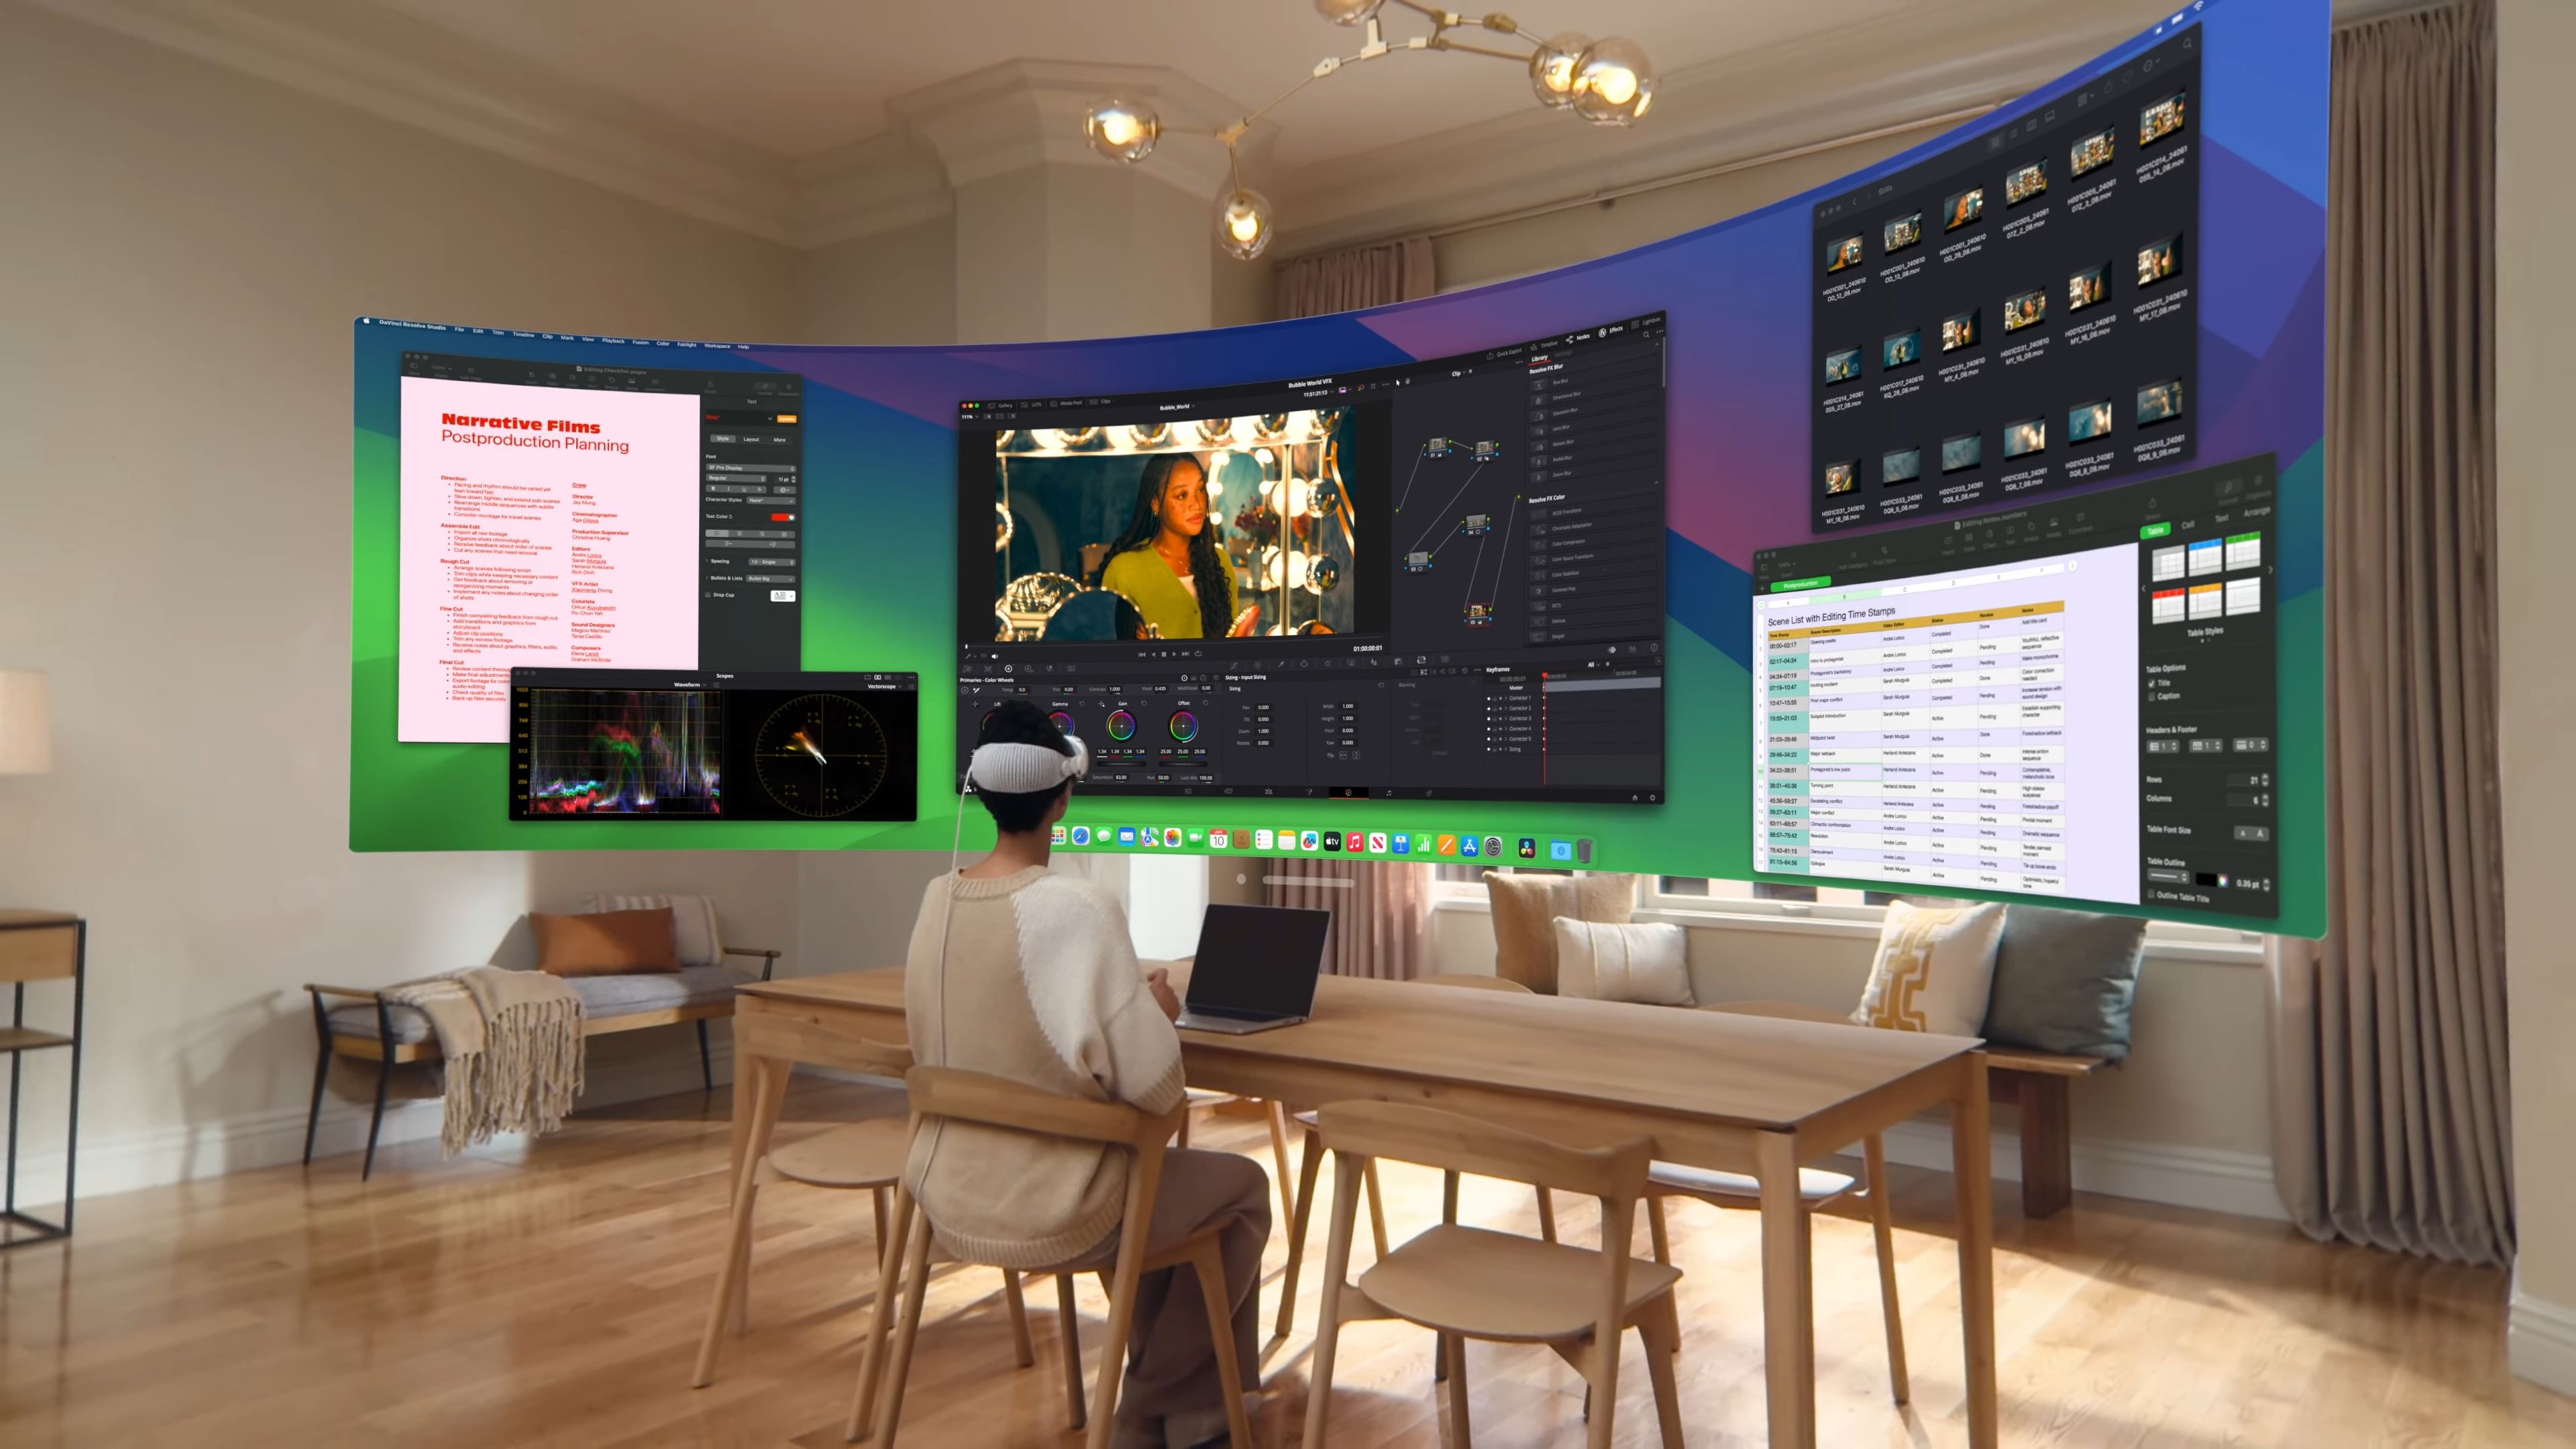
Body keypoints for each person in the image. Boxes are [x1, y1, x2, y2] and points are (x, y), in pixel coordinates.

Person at [902, 700, 1268, 1449]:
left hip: (948, 1191)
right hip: (1062, 1205)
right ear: (1063, 798)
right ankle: (1153, 1401)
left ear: (978, 791)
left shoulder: (937, 898)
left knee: (1173, 1189)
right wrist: (1155, 1012)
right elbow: (1159, 1090)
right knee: (1239, 1193)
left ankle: (1195, 1414)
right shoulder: (1076, 907)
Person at [1097, 453, 1252, 640]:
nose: (1196, 504)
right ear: (1155, 503)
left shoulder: (1220, 561)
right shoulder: (1123, 571)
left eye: (1201, 490)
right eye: (1182, 495)